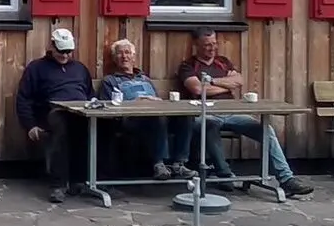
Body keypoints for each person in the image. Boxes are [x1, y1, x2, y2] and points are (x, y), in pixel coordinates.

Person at [176, 28, 313, 197]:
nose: (212, 48)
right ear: (196, 45)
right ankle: (225, 176)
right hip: (204, 111)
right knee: (209, 125)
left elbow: (238, 81)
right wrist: (225, 84)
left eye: (214, 44)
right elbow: (197, 88)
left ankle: (286, 179)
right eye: (207, 45)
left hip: (233, 111)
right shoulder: (188, 65)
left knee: (265, 129)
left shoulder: (223, 62)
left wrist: (211, 81)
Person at [15, 27, 93, 203]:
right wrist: (30, 125)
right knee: (61, 129)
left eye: (68, 51)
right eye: (61, 51)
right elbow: (24, 98)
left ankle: (83, 180)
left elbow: (90, 94)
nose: (65, 55)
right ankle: (58, 184)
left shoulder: (80, 69)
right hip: (52, 112)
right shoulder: (37, 68)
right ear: (51, 46)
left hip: (81, 111)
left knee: (99, 127)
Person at [99, 38, 194, 181]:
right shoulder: (110, 80)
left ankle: (178, 164)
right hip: (130, 120)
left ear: (133, 57)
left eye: (127, 53)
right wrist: (136, 103)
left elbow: (157, 100)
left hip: (155, 114)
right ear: (114, 58)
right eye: (120, 54)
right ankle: (159, 164)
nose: (124, 56)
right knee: (157, 117)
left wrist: (158, 102)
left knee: (186, 116)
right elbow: (108, 107)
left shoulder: (145, 79)